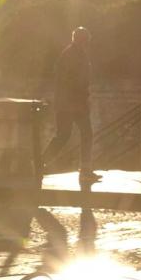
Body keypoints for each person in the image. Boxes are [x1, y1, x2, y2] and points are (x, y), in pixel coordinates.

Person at [39, 27, 99, 182]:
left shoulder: (74, 54)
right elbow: (72, 81)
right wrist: (82, 98)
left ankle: (84, 169)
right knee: (68, 135)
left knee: (74, 135)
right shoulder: (72, 56)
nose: (88, 42)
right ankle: (84, 170)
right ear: (81, 39)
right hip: (71, 104)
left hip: (71, 103)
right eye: (86, 39)